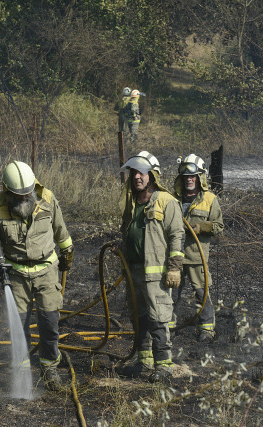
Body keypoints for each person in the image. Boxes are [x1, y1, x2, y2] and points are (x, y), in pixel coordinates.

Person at [0, 161, 74, 391]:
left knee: (49, 323)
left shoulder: (47, 199)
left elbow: (61, 231)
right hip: (16, 274)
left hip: (47, 271)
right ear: (7, 192)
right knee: (19, 326)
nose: (24, 198)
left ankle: (49, 369)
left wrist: (68, 252)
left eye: (27, 193)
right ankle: (21, 372)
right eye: (18, 195)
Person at [116, 151, 184, 383]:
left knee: (158, 318)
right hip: (134, 271)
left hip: (156, 275)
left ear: (152, 176)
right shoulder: (132, 202)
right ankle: (143, 362)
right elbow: (128, 232)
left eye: (142, 173)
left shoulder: (166, 202)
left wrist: (174, 268)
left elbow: (176, 236)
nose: (137, 177)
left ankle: (164, 365)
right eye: (134, 172)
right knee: (140, 317)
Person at [172, 154, 224, 342]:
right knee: (171, 294)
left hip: (196, 257)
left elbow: (218, 226)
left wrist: (200, 227)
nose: (189, 179)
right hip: (175, 256)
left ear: (200, 177)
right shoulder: (172, 199)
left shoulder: (210, 199)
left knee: (202, 294)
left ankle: (207, 330)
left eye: (193, 176)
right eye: (186, 177)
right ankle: (169, 329)